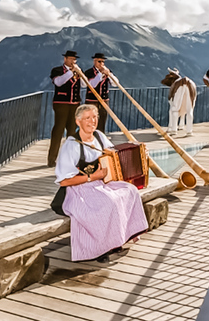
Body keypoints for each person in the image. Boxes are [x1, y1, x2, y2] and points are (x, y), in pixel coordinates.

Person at [54, 104, 148, 262]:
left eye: (95, 117)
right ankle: (100, 248)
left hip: (101, 182)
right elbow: (64, 181)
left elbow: (114, 155)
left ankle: (118, 238)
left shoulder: (98, 136)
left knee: (129, 190)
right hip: (78, 189)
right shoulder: (71, 146)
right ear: (78, 122)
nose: (92, 121)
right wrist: (92, 177)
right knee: (108, 202)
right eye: (87, 118)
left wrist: (138, 154)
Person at [48, 50, 87, 167]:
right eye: (71, 59)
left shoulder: (78, 72)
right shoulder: (57, 70)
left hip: (75, 104)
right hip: (61, 104)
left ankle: (70, 159)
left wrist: (80, 73)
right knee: (58, 130)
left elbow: (85, 85)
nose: (73, 61)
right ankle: (52, 159)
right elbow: (59, 82)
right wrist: (71, 72)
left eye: (75, 60)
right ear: (65, 59)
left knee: (72, 132)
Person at [84, 52, 113, 132]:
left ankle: (100, 140)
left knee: (102, 122)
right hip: (92, 101)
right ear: (94, 61)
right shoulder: (88, 72)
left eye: (103, 62)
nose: (101, 64)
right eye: (99, 61)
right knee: (90, 122)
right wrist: (100, 74)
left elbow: (114, 83)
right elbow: (92, 84)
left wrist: (109, 75)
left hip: (104, 101)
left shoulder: (107, 72)